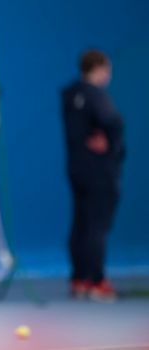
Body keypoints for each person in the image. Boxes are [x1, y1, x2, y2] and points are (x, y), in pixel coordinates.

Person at [61, 50, 125, 302]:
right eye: (107, 68)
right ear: (99, 68)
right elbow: (114, 122)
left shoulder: (70, 95)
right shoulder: (95, 94)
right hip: (98, 171)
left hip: (76, 170)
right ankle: (97, 281)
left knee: (81, 223)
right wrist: (111, 142)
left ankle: (80, 279)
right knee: (96, 225)